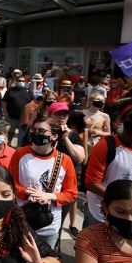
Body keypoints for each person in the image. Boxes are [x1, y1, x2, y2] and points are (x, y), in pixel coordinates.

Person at [9, 117, 77, 263]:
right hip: (23, 218)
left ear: (54, 136)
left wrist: (50, 197)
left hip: (50, 222)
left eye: (41, 131)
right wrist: (26, 192)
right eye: (34, 130)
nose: (36, 134)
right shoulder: (20, 153)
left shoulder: (64, 160)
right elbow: (11, 183)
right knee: (14, 260)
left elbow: (71, 193)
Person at [84, 98, 132, 227]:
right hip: (101, 214)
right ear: (122, 118)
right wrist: (126, 200)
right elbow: (92, 183)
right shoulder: (106, 146)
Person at [48, 103, 86, 241]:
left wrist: (65, 138)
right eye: (58, 114)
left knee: (58, 222)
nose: (62, 117)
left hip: (65, 186)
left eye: (64, 114)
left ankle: (54, 250)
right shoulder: (42, 131)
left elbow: (80, 158)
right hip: (46, 183)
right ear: (50, 115)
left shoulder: (73, 135)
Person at [2, 75, 32, 145]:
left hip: (24, 119)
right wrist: (5, 113)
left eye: (23, 81)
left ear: (25, 82)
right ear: (16, 82)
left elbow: (32, 104)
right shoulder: (10, 90)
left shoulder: (28, 92)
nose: (21, 82)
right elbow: (4, 102)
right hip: (11, 118)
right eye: (19, 81)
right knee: (9, 134)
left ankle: (20, 149)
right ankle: (7, 147)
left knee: (22, 136)